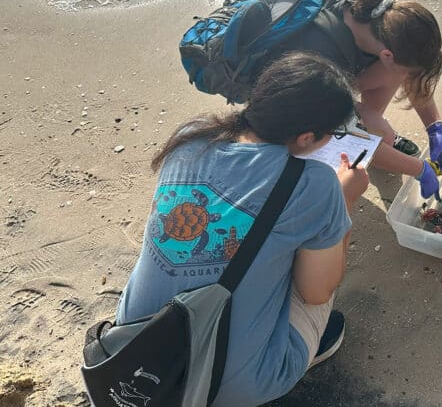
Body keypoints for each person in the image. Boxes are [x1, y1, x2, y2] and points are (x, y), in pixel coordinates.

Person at [115, 52, 369, 406]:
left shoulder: (192, 137)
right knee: (316, 265)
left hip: (131, 353)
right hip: (225, 386)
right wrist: (343, 204)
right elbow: (316, 292)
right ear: (307, 137)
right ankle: (302, 349)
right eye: (333, 133)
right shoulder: (315, 183)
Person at [261, 0, 442, 200]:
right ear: (387, 55)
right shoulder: (322, 61)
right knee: (372, 135)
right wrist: (419, 169)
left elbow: (411, 68)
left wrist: (434, 127)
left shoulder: (380, 20)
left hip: (324, 77)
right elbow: (350, 136)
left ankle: (371, 135)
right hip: (281, 97)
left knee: (397, 77)